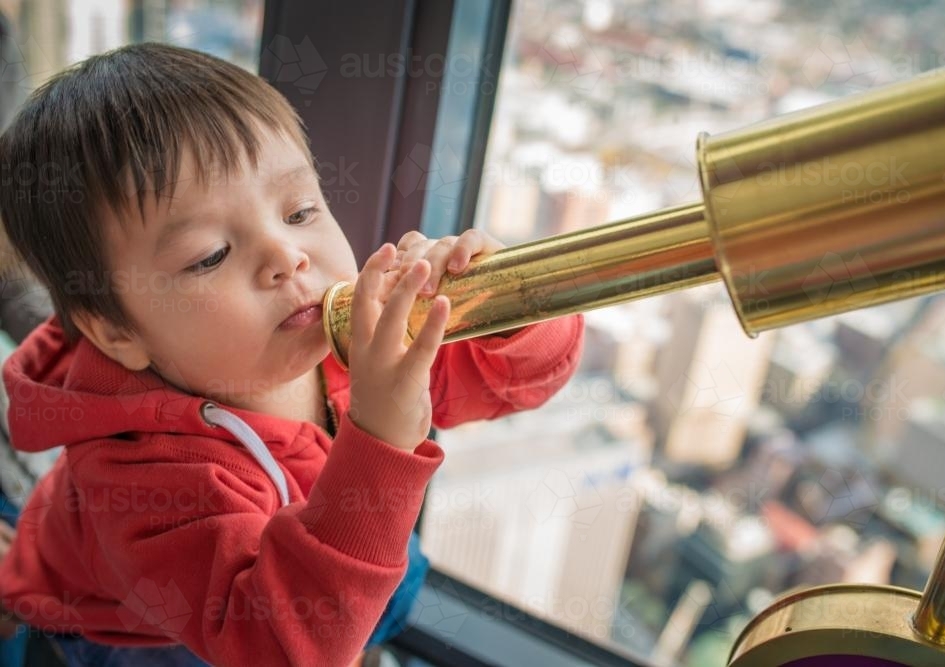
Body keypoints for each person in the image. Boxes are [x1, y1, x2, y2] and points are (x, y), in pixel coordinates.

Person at [0, 43, 583, 666]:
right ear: (118, 332)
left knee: (392, 563)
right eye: (210, 256)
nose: (286, 257)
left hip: (320, 545)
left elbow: (523, 381)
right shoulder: (142, 477)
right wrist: (381, 439)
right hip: (149, 624)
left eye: (300, 211)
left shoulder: (346, 330)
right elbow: (274, 650)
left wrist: (498, 305)